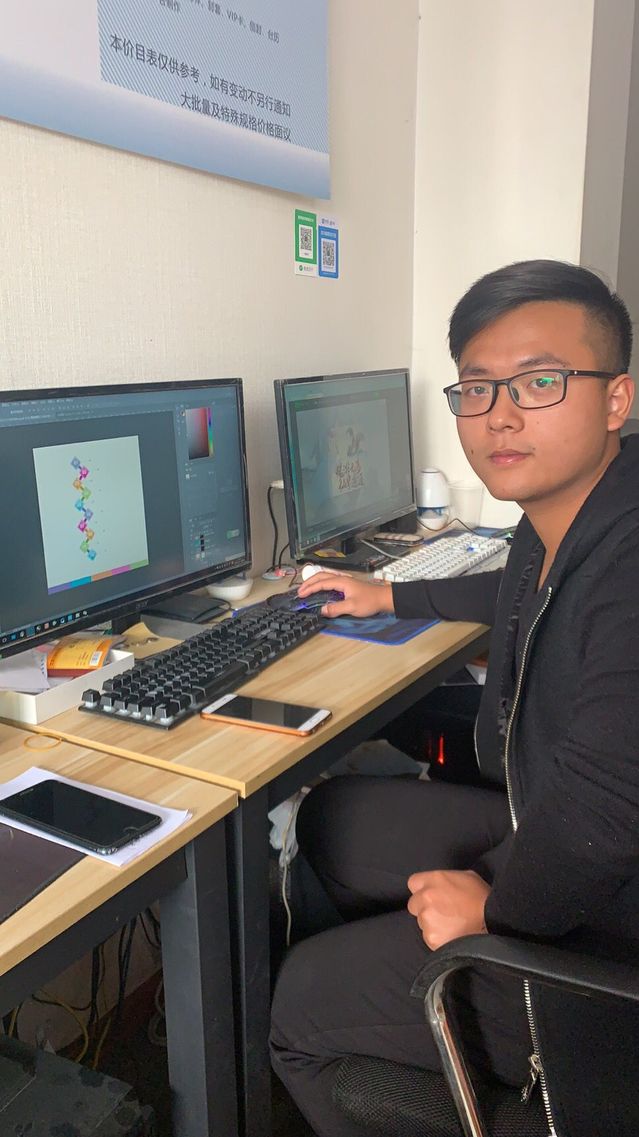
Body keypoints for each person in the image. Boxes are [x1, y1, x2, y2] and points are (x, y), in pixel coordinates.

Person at [269, 260, 639, 1137]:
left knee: (297, 1007)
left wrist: (494, 912)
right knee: (330, 821)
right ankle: (396, 1014)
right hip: (551, 834)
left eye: (539, 382)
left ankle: (415, 1046)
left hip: (600, 941)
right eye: (477, 387)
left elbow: (607, 809)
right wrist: (388, 594)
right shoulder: (572, 512)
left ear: (615, 398)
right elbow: (514, 586)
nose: (499, 414)